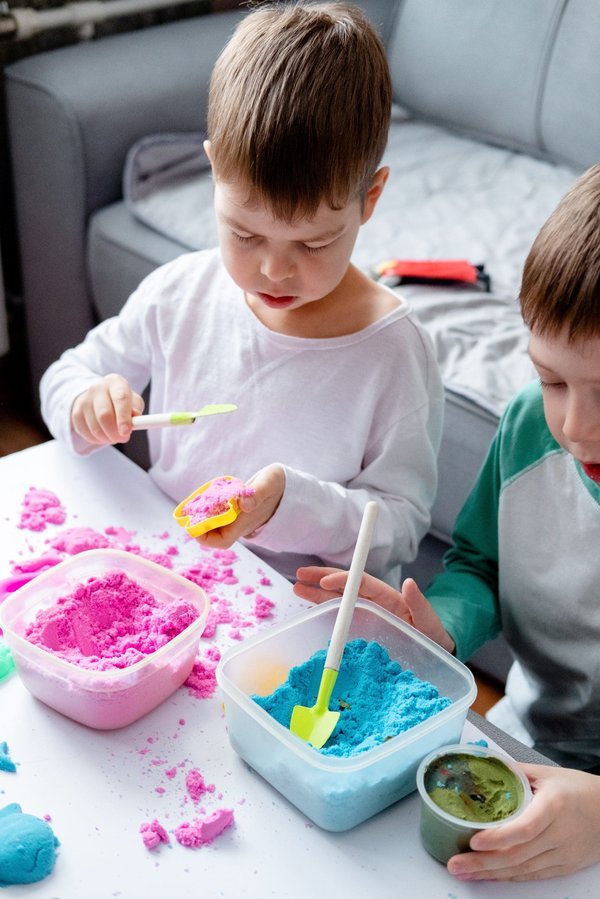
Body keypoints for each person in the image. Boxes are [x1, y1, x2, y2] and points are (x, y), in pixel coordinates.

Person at [39, 2, 443, 585]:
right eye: (245, 234)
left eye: (313, 244)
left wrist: (288, 507)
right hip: (168, 577)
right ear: (213, 175)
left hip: (292, 611)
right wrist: (86, 404)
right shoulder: (180, 293)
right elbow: (65, 375)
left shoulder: (393, 356)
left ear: (370, 199)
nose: (274, 270)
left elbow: (400, 525)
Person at [294, 162, 600, 882]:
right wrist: (443, 630)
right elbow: (481, 563)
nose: (578, 427)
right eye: (552, 379)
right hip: (525, 748)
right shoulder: (533, 428)